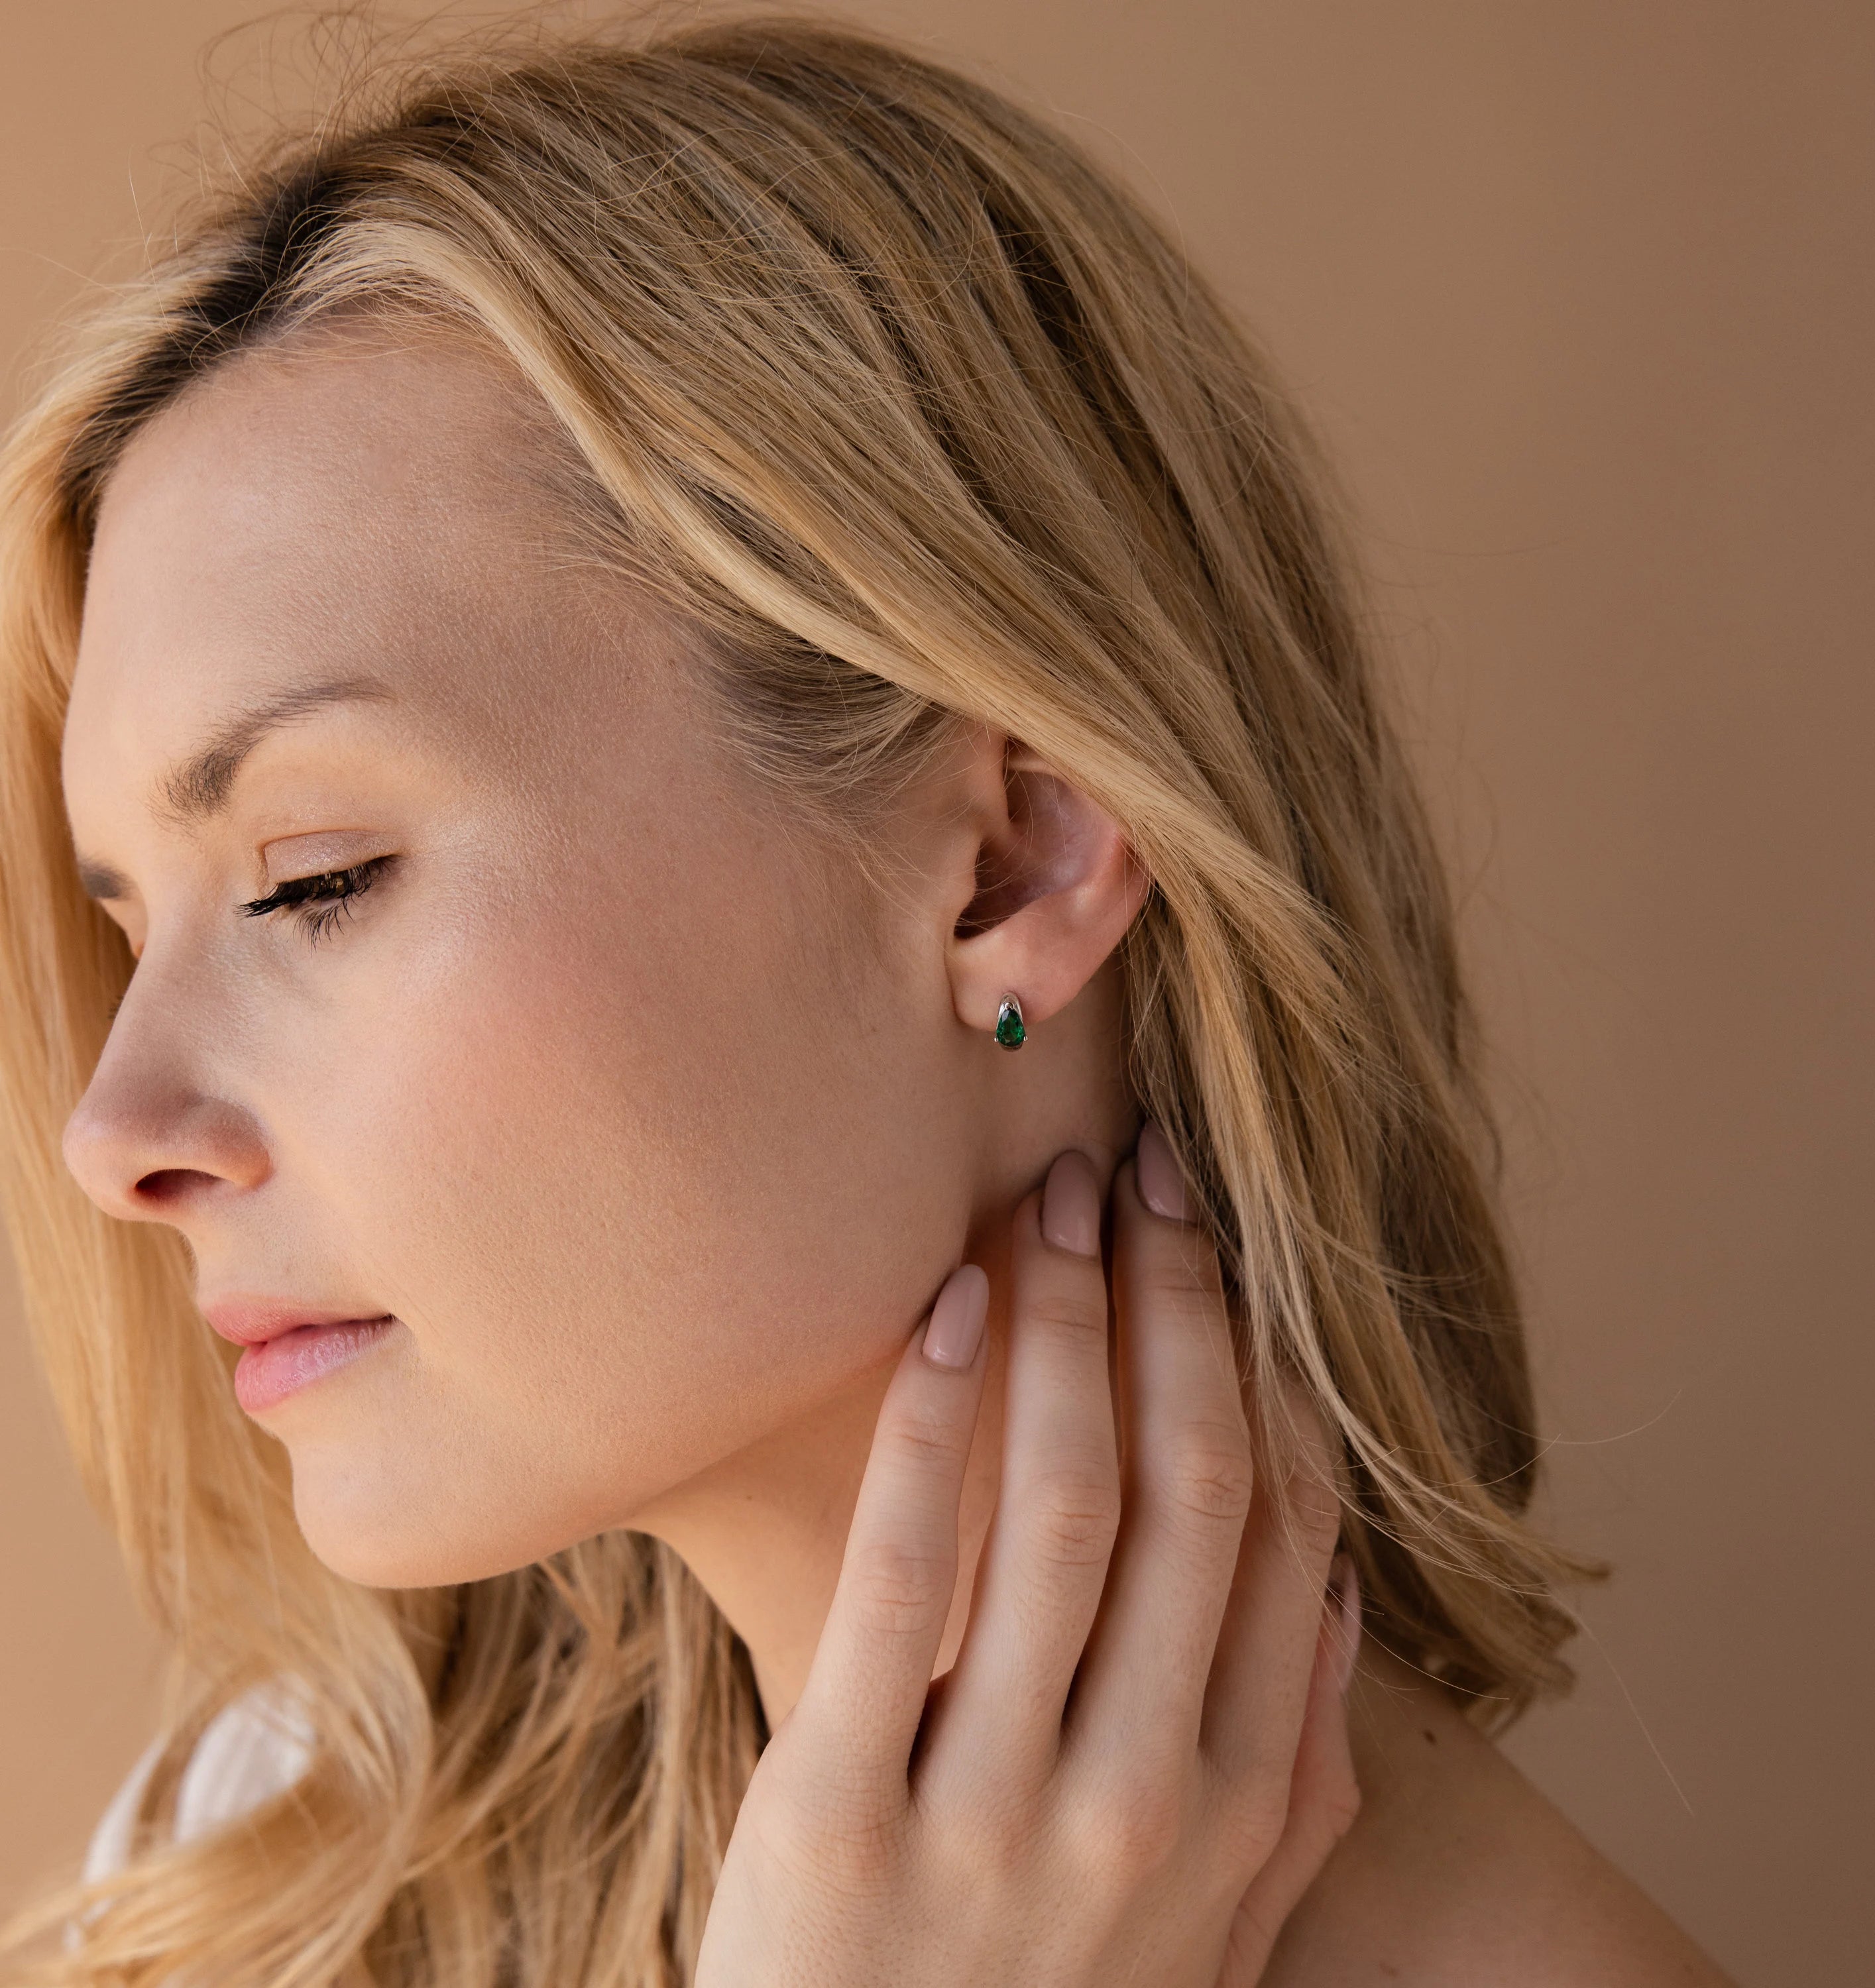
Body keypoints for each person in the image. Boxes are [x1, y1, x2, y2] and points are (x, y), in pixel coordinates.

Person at [0, 15, 1733, 1985]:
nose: (112, 1132)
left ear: (1014, 862)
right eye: (130, 924)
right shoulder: (276, 1876)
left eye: (316, 879)